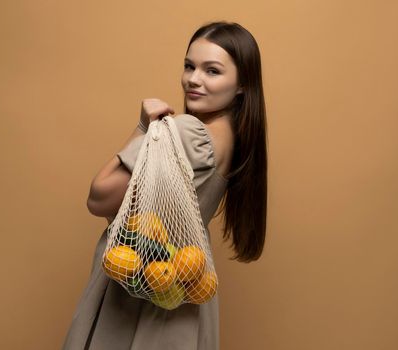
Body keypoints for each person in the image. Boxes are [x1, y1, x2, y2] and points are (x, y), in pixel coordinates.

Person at [62, 21, 267, 350]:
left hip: (139, 297)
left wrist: (144, 126)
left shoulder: (186, 133)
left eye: (212, 71)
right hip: (183, 292)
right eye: (189, 66)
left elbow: (99, 198)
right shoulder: (234, 140)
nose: (193, 80)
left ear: (242, 84)